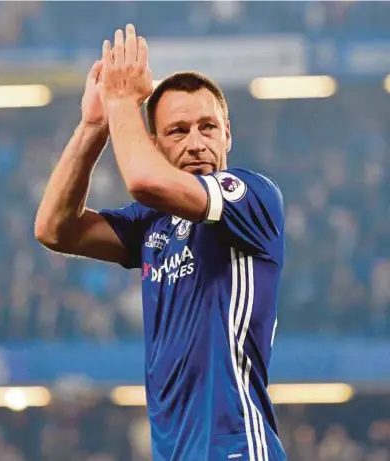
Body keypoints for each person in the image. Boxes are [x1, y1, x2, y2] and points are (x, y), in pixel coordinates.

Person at [35, 24, 287, 461]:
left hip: (237, 448)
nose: (196, 143)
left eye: (208, 127)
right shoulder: (152, 224)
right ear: (153, 142)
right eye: (178, 131)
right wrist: (94, 125)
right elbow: (54, 229)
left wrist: (121, 104)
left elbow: (142, 179)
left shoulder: (251, 197)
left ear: (228, 133)